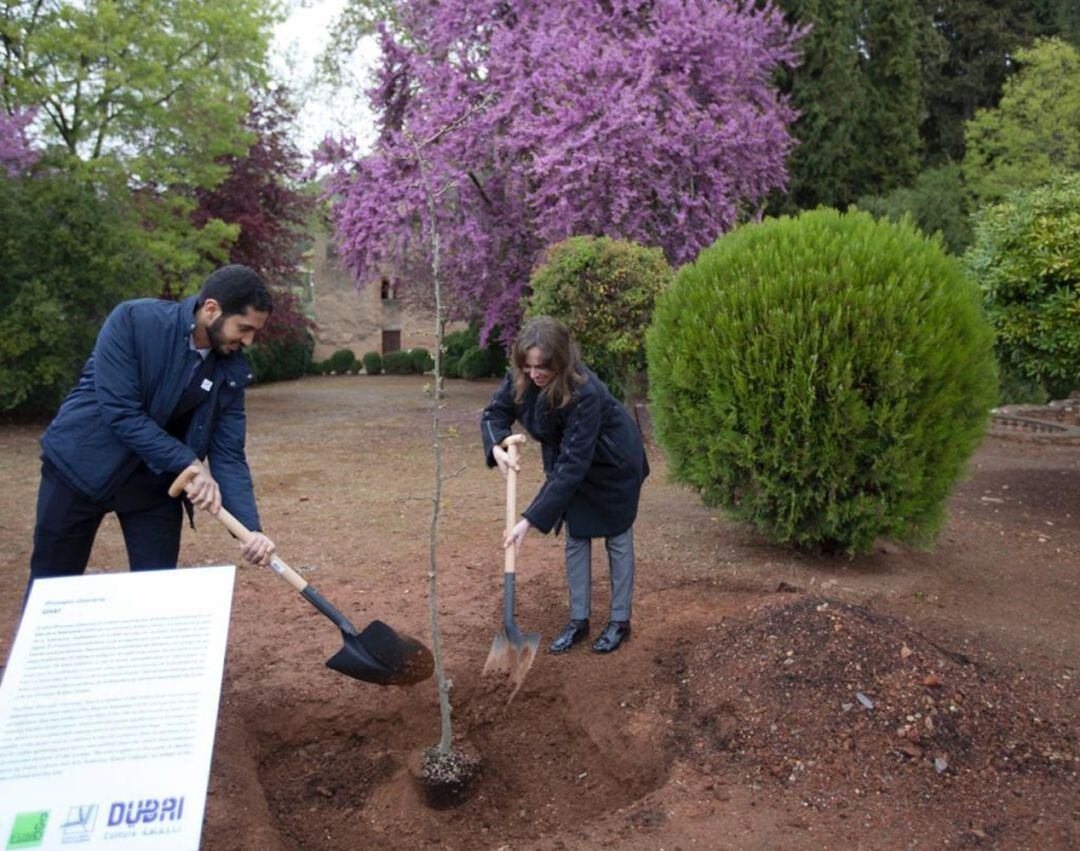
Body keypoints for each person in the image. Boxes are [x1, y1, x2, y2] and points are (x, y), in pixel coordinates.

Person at [26, 264, 277, 595]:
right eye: (243, 328)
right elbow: (121, 411)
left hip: (156, 483)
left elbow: (228, 453)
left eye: (254, 331)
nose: (248, 340)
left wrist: (251, 529)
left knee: (156, 594)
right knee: (50, 588)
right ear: (211, 309)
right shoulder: (133, 321)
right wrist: (189, 463)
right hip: (80, 467)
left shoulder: (230, 371)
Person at [481, 316, 649, 655]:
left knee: (616, 536)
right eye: (528, 366)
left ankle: (619, 622)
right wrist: (497, 446)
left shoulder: (583, 390)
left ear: (560, 360)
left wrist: (528, 521)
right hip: (572, 460)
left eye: (543, 367)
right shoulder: (521, 379)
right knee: (577, 536)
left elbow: (573, 466)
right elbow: (493, 414)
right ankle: (578, 621)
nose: (535, 374)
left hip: (613, 464)